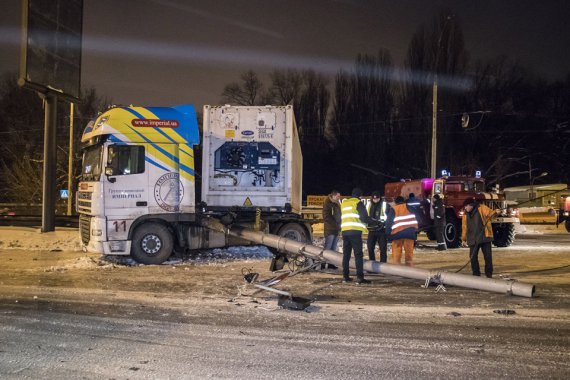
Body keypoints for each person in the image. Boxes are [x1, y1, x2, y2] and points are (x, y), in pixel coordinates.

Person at [340, 187, 375, 284]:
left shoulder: (344, 203)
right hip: (355, 232)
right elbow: (364, 218)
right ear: (360, 196)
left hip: (345, 231)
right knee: (358, 255)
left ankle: (345, 276)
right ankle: (360, 277)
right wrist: (373, 221)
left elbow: (341, 217)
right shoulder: (358, 203)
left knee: (346, 255)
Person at [461, 197, 497, 278]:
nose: (465, 208)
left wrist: (495, 212)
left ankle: (489, 274)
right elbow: (464, 227)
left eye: (466, 206)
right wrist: (463, 239)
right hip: (472, 239)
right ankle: (476, 274)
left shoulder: (482, 208)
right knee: (472, 257)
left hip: (485, 237)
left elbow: (490, 214)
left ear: (471, 205)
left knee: (488, 257)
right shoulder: (465, 215)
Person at [385, 195, 418, 266]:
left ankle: (397, 268)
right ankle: (409, 268)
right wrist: (416, 230)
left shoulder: (393, 209)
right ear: (403, 201)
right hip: (409, 233)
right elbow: (418, 218)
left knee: (397, 252)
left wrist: (387, 233)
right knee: (409, 252)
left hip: (397, 234)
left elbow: (389, 222)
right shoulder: (410, 207)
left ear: (396, 202)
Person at [366, 191, 389, 262]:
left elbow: (389, 217)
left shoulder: (385, 205)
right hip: (371, 230)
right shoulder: (368, 204)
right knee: (370, 248)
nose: (375, 200)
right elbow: (366, 216)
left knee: (383, 248)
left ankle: (383, 265)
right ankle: (372, 264)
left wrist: (384, 224)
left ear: (380, 198)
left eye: (377, 198)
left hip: (381, 230)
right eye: (374, 199)